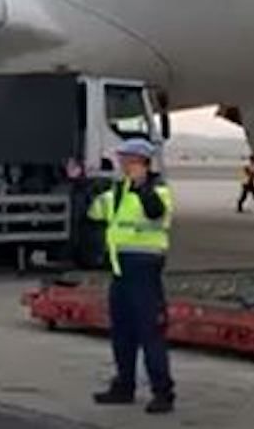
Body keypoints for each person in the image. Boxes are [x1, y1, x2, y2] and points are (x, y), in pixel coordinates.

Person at [86, 138, 176, 414]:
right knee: (122, 332)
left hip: (144, 268)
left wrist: (142, 186)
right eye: (122, 159)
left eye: (128, 159)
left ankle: (163, 392)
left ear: (142, 163)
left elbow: (156, 213)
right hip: (121, 269)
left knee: (150, 332)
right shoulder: (119, 191)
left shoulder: (157, 190)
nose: (122, 164)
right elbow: (94, 212)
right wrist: (80, 182)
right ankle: (124, 385)